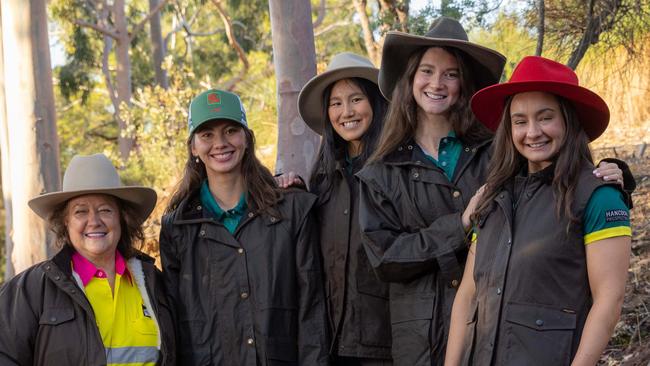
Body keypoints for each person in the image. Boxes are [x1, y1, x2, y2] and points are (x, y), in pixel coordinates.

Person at [355, 17, 628, 366]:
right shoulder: (381, 171)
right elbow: (384, 256)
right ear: (409, 79)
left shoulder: (494, 153)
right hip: (424, 336)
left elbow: (564, 180)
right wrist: (461, 223)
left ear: (463, 83)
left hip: (519, 340)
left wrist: (614, 173)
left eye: (450, 74)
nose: (437, 83)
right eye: (426, 71)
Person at [445, 56, 632, 366]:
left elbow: (609, 302)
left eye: (545, 117)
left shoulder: (600, 197)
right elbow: (467, 294)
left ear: (569, 120)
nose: (532, 132)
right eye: (520, 121)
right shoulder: (493, 197)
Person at [159, 89, 329, 365]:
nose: (220, 143)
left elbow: (312, 311)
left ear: (246, 138)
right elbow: (175, 323)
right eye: (207, 135)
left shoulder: (292, 210)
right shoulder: (177, 227)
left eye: (230, 131)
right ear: (193, 147)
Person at [0, 153, 176, 366]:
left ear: (121, 217)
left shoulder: (155, 285)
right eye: (80, 212)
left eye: (105, 210)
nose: (94, 221)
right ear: (65, 222)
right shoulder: (30, 289)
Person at [278, 52, 392, 365]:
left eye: (356, 99)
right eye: (336, 103)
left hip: (384, 342)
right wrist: (296, 194)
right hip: (331, 341)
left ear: (375, 103)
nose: (346, 112)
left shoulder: (397, 169)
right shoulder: (324, 177)